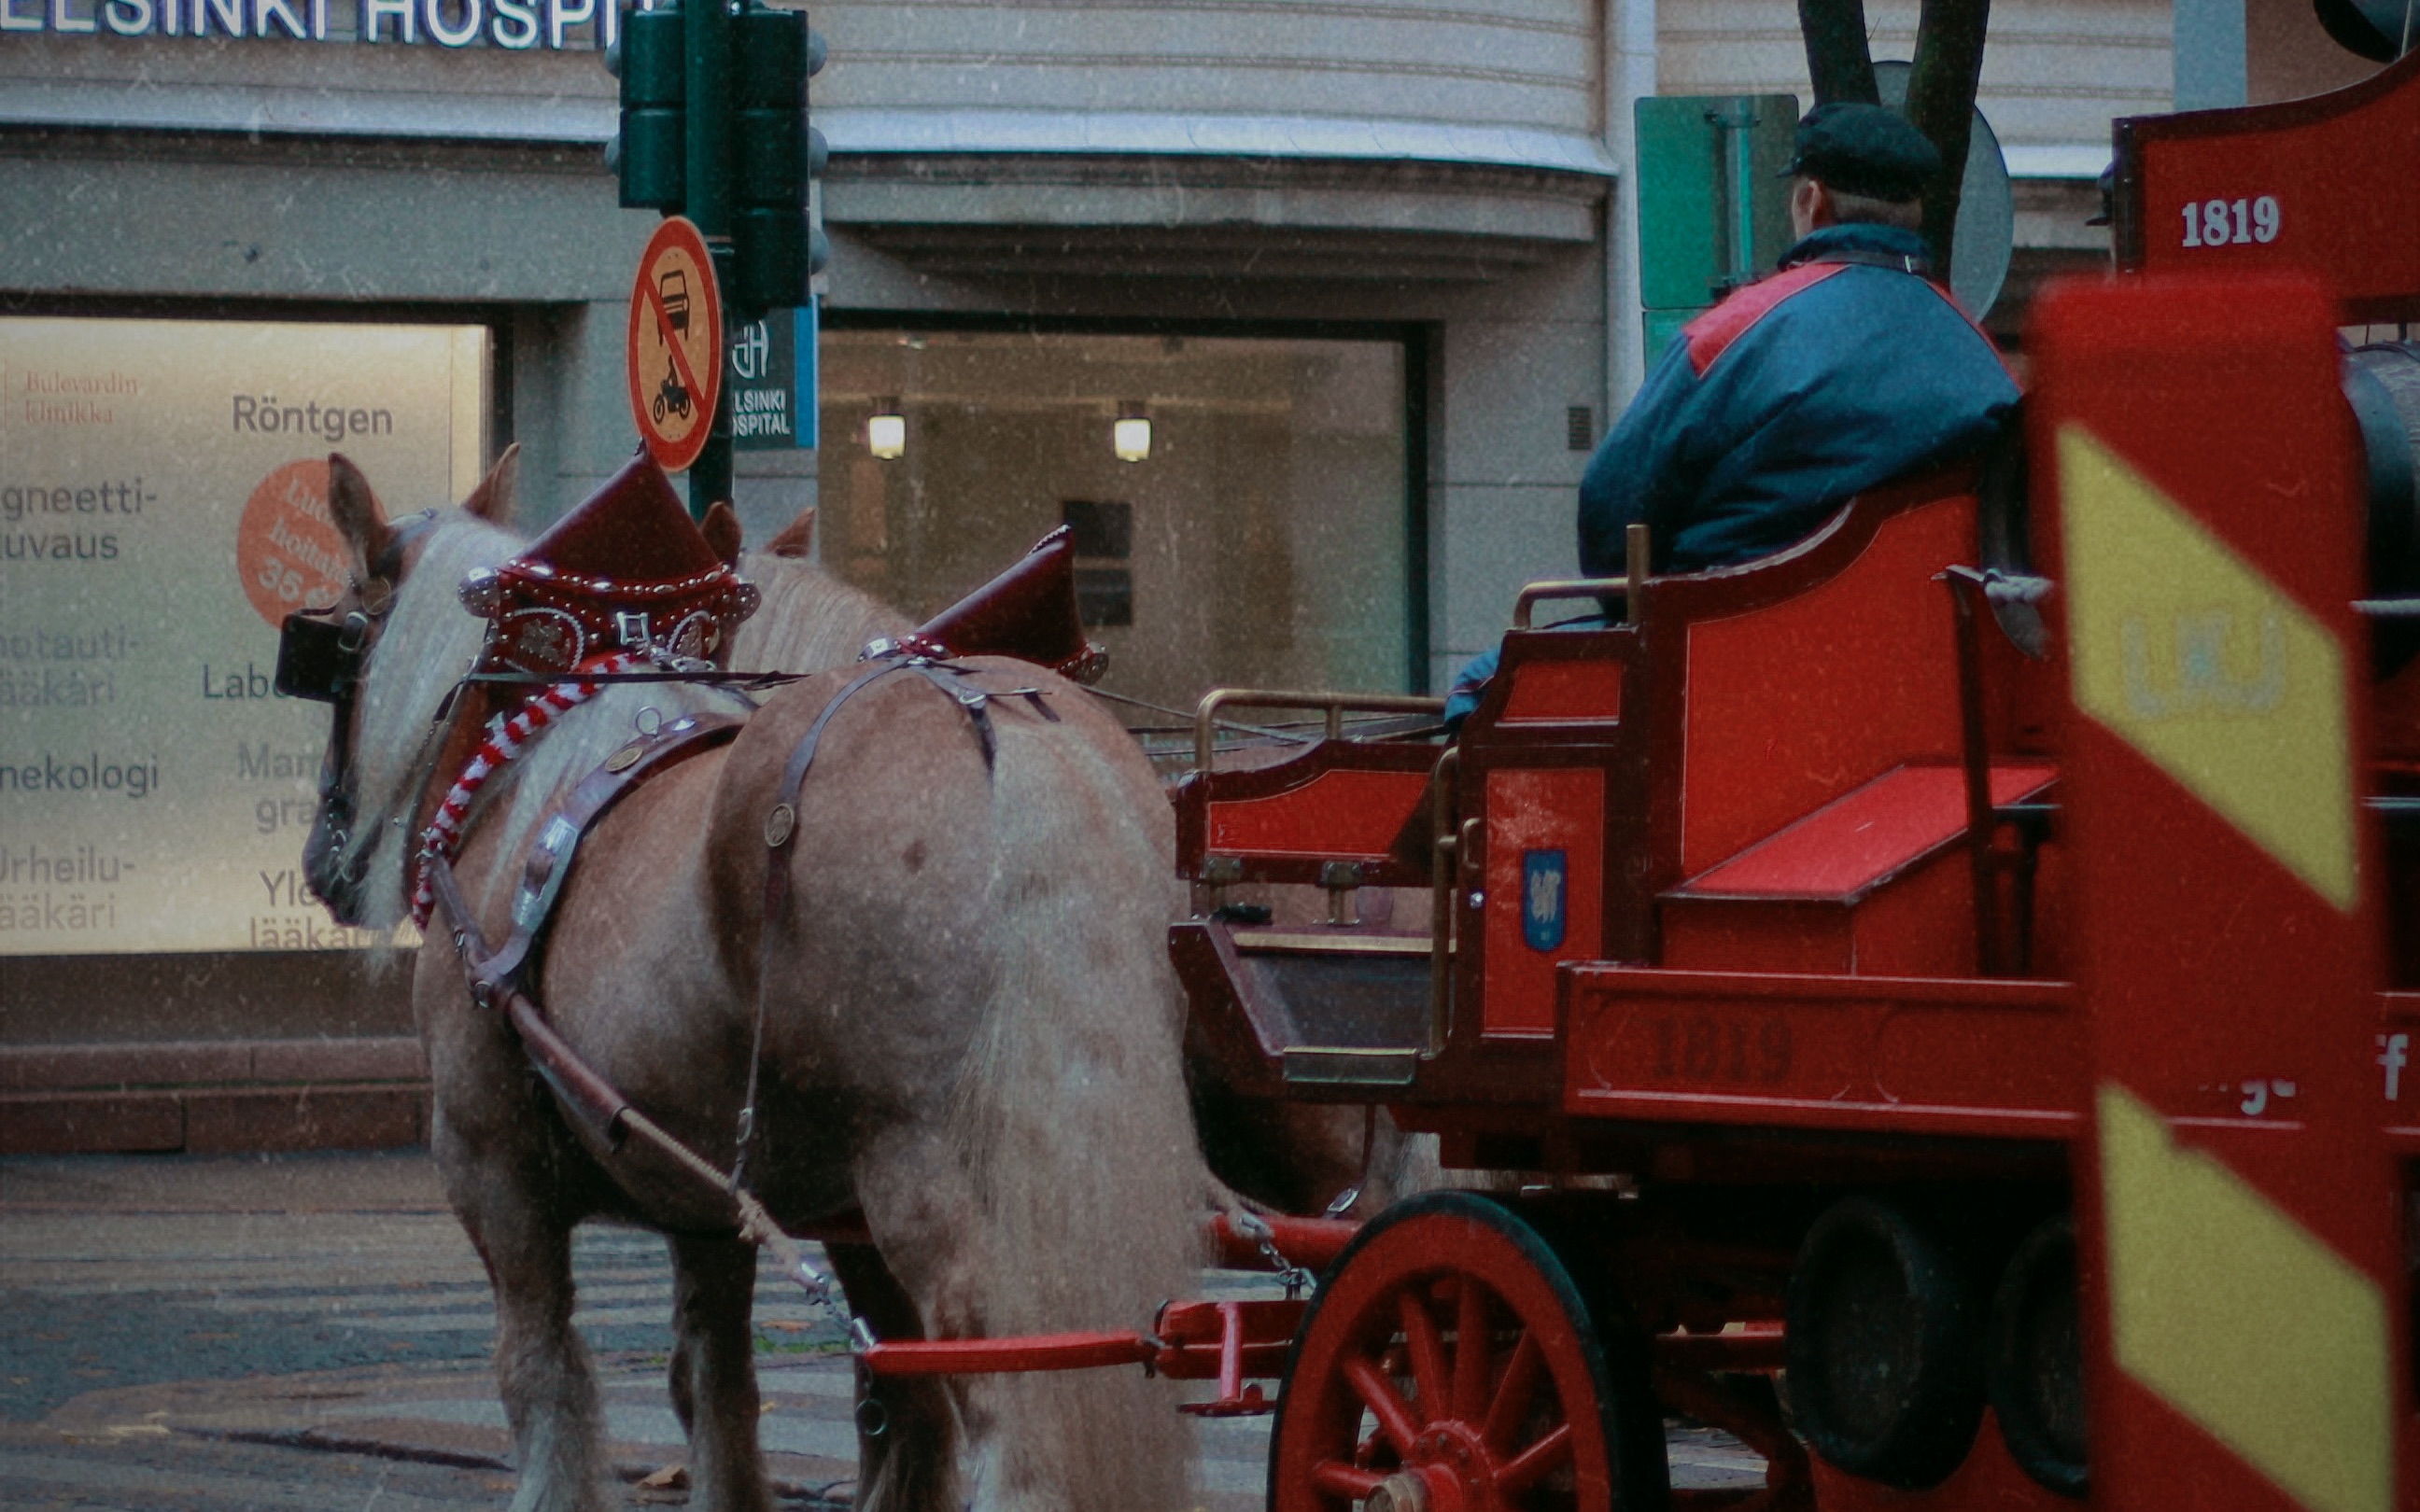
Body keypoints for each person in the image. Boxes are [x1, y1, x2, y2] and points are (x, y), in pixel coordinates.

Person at [1444, 101, 2019, 726]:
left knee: (1486, 686)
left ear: (1812, 202)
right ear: (1915, 215)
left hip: (1725, 662)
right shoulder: (1980, 356)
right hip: (1922, 676)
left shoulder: (1735, 334)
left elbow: (1614, 515)